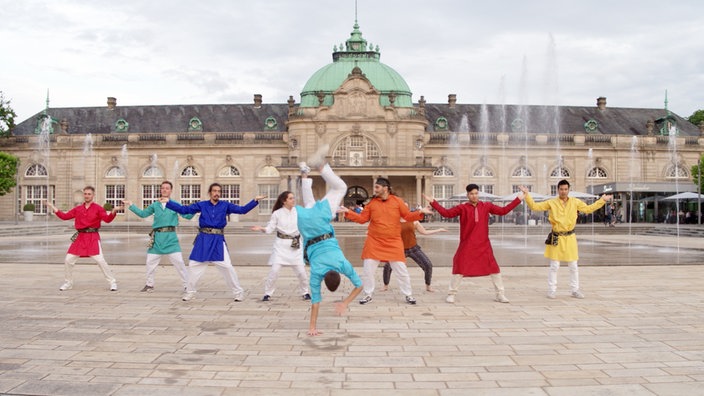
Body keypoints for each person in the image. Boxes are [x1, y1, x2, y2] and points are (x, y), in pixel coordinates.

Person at [296, 146, 363, 336]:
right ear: (325, 280)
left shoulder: (342, 264)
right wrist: (312, 328)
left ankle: (321, 166)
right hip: (307, 229)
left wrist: (345, 303)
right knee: (308, 203)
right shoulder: (316, 273)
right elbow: (315, 303)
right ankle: (304, 173)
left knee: (341, 187)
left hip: (321, 224)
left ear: (339, 275)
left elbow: (360, 285)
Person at [164, 183, 265, 302]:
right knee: (193, 266)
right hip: (203, 240)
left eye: (218, 191)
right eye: (214, 191)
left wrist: (254, 201)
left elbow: (242, 210)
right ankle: (190, 292)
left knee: (227, 267)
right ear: (210, 193)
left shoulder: (225, 205)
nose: (216, 193)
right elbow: (184, 210)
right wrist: (168, 202)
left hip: (217, 240)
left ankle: (238, 292)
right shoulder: (202, 205)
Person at [423, 184, 523, 303]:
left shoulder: (486, 206)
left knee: (494, 269)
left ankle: (500, 294)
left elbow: (503, 211)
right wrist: (433, 202)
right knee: (459, 267)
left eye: (476, 193)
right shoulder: (462, 208)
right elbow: (446, 213)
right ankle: (452, 293)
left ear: (478, 194)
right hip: (467, 244)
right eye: (471, 194)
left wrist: (519, 199)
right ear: (467, 195)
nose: (474, 196)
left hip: (483, 244)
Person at [342, 178, 433, 305]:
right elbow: (362, 219)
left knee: (401, 270)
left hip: (393, 241)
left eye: (377, 187)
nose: (375, 190)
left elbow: (407, 216)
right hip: (374, 241)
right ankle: (368, 294)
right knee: (368, 270)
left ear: (386, 188)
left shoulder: (397, 201)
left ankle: (408, 294)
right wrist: (348, 212)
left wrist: (420, 212)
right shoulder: (372, 203)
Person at [519, 181, 612, 299]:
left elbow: (588, 209)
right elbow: (535, 206)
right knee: (554, 266)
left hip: (570, 237)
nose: (563, 191)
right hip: (557, 236)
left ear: (569, 190)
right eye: (561, 189)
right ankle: (552, 290)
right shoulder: (551, 202)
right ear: (558, 190)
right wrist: (527, 195)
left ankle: (575, 289)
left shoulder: (575, 202)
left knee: (573, 265)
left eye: (565, 189)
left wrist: (602, 200)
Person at [47, 186, 121, 291]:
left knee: (100, 260)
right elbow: (65, 216)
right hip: (80, 237)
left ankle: (112, 282)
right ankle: (68, 283)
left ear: (93, 195)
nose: (87, 196)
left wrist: (114, 211)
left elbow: (107, 219)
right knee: (68, 260)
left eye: (89, 194)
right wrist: (52, 206)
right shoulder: (78, 209)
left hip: (92, 237)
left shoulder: (98, 208)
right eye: (85, 194)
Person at [123, 180, 193, 292]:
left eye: (167, 188)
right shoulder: (155, 205)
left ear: (171, 191)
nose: (164, 190)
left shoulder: (175, 205)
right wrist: (131, 205)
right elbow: (143, 214)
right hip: (157, 238)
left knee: (179, 263)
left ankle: (187, 285)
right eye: (162, 188)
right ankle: (149, 284)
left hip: (171, 238)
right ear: (160, 190)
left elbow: (188, 216)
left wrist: (196, 208)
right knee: (150, 262)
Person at [251, 190, 311, 302]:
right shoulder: (277, 213)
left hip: (295, 245)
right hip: (281, 246)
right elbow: (270, 229)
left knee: (301, 272)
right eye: (291, 198)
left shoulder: (298, 212)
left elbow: (309, 220)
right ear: (284, 201)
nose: (293, 200)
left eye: (293, 198)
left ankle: (305, 292)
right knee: (274, 271)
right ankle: (267, 293)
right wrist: (261, 228)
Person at [381, 217, 447, 292]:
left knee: (428, 265)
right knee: (387, 266)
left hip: (413, 248)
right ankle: (385, 285)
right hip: (398, 250)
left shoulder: (414, 221)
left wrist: (439, 230)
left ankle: (428, 286)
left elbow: (424, 232)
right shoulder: (393, 221)